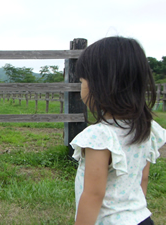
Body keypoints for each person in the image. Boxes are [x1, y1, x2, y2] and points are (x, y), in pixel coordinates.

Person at [70, 36, 166, 225]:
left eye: (82, 81)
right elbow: (143, 178)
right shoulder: (147, 128)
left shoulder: (99, 136)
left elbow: (93, 194)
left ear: (100, 85)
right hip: (141, 218)